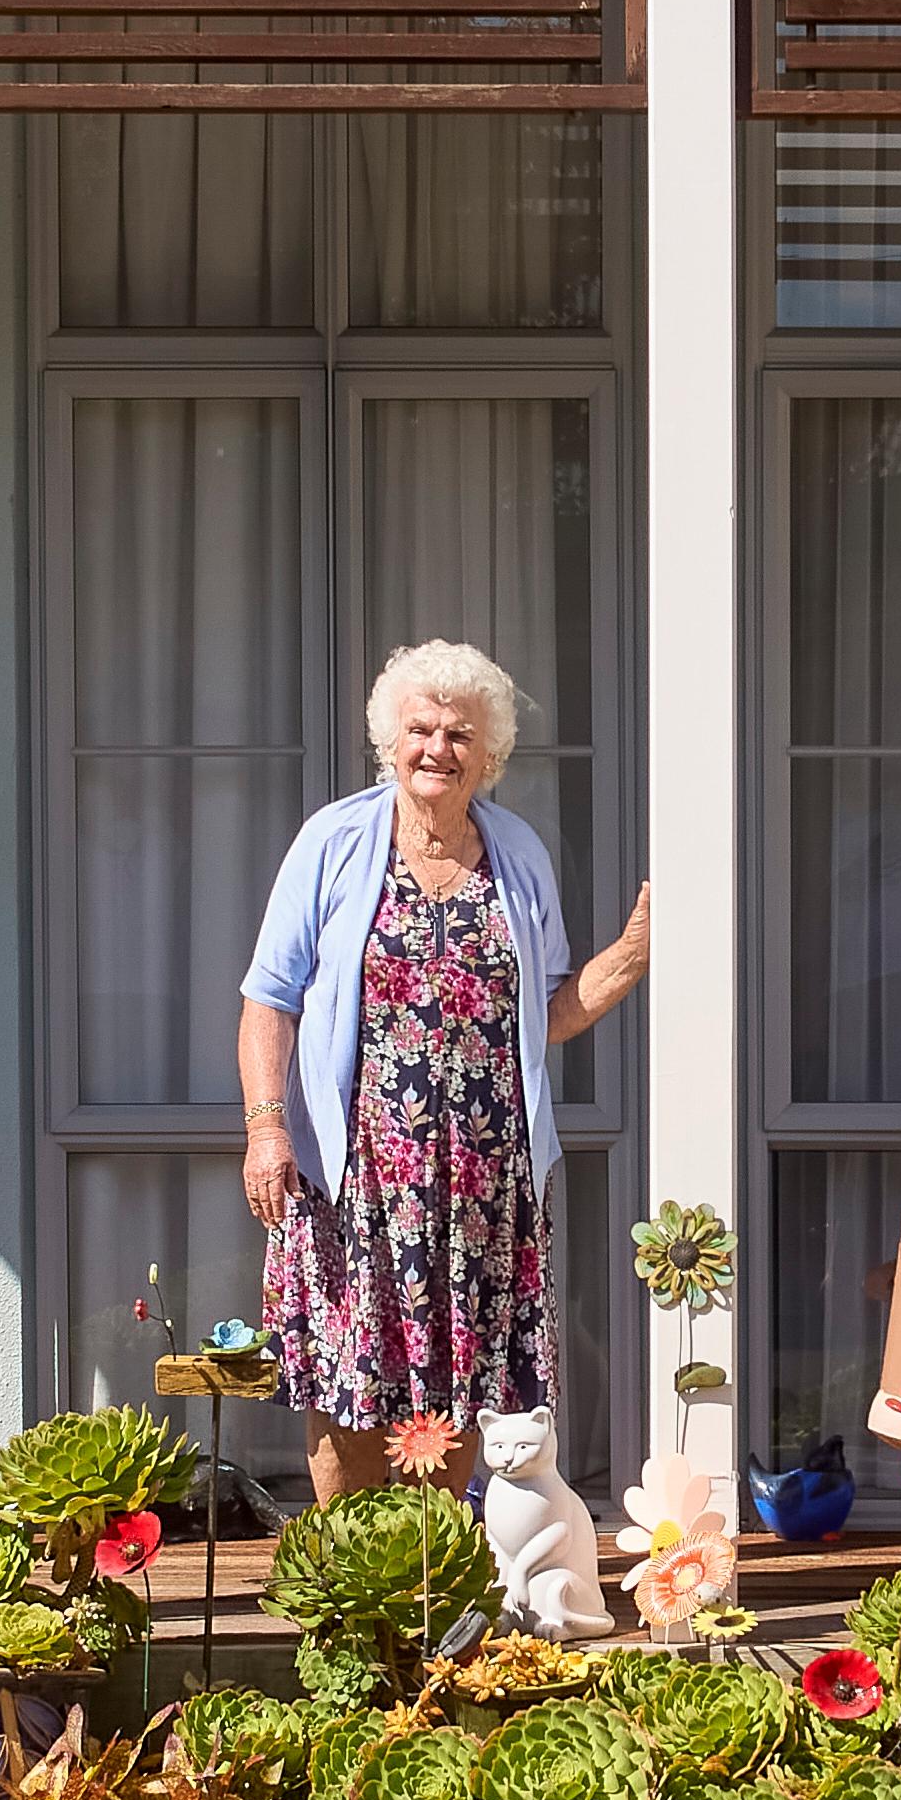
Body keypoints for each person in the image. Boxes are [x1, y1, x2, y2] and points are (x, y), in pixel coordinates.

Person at [232, 637, 654, 1521]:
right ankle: (355, 1577)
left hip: (483, 1181)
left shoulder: (518, 853)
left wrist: (628, 958)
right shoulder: (333, 843)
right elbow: (269, 1000)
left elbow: (543, 1012)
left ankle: (429, 1583)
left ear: (487, 753)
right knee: (351, 1380)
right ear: (390, 740)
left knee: (465, 1375)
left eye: (459, 734)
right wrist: (268, 1129)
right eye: (419, 729)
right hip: (356, 1178)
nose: (437, 748)